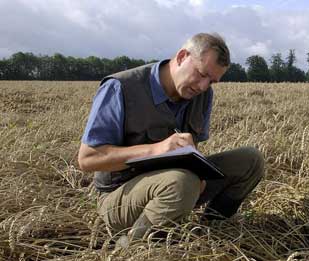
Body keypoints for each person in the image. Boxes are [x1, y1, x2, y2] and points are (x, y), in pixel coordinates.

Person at [78, 33, 264, 247]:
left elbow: (192, 148)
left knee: (250, 160)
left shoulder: (202, 94)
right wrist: (157, 149)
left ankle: (211, 235)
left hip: (174, 185)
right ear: (182, 56)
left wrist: (198, 171)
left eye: (211, 81)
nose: (203, 86)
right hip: (119, 197)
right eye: (201, 74)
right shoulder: (121, 87)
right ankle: (126, 251)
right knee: (182, 182)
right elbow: (87, 160)